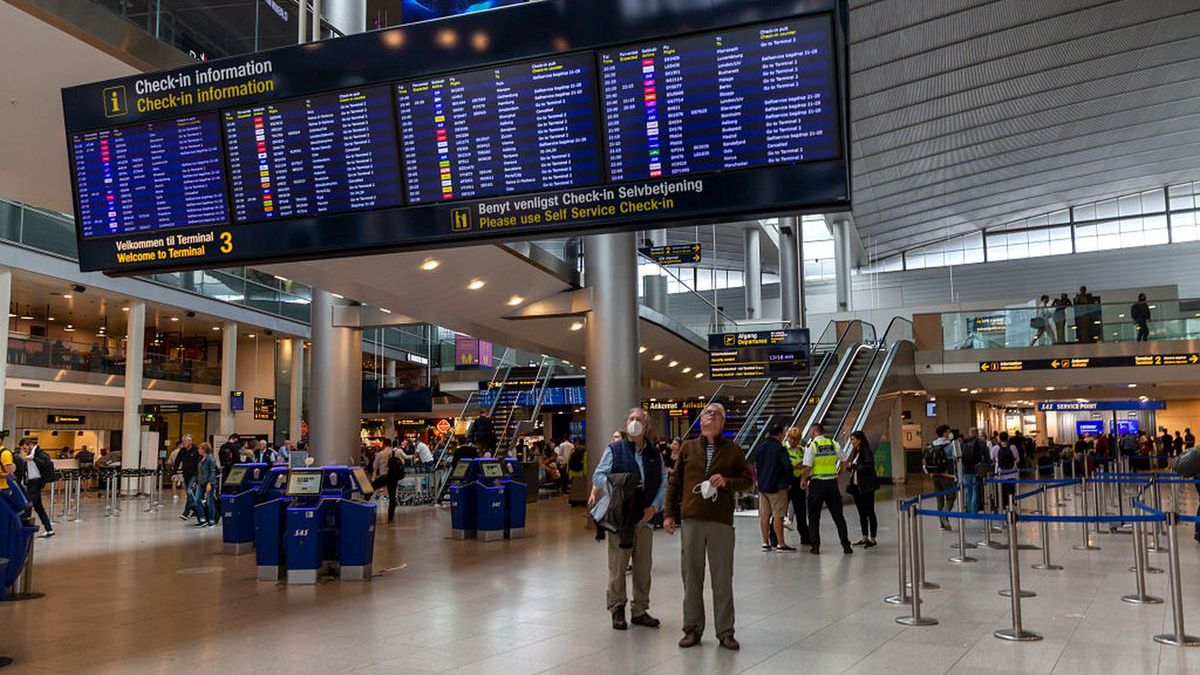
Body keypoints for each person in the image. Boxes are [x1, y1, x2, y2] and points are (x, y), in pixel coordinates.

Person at [663, 403, 752, 650]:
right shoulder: (688, 448)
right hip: (692, 519)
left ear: (722, 423)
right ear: (700, 421)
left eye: (716, 413)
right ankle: (691, 628)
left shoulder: (733, 450)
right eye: (706, 413)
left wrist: (726, 481)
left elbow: (746, 481)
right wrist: (669, 514)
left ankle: (725, 631)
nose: (710, 415)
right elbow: (674, 483)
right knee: (691, 576)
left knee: (722, 577)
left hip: (720, 521)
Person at [590, 407, 666, 631]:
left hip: (645, 518)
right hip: (622, 518)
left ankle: (640, 609)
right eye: (631, 419)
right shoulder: (615, 450)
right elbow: (598, 475)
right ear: (626, 425)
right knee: (618, 566)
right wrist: (616, 490)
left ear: (647, 426)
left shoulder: (654, 453)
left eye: (639, 419)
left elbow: (663, 480)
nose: (634, 422)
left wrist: (654, 507)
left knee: (643, 567)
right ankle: (617, 608)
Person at [801, 423, 853, 555]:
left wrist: (803, 480)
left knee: (814, 517)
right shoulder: (834, 444)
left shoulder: (812, 446)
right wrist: (839, 474)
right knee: (838, 516)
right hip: (831, 484)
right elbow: (845, 462)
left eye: (810, 432)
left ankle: (815, 546)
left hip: (817, 484)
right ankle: (846, 545)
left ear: (813, 432)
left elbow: (807, 467)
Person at [754, 423, 794, 552]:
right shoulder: (780, 448)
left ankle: (765, 543)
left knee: (765, 515)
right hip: (777, 486)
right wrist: (789, 481)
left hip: (763, 486)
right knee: (778, 515)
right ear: (780, 434)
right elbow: (787, 466)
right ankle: (780, 544)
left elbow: (757, 466)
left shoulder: (760, 447)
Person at [846, 431, 878, 548]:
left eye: (853, 439)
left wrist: (853, 466)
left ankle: (873, 539)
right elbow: (858, 469)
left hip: (866, 486)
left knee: (870, 511)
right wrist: (851, 468)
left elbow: (868, 467)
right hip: (857, 486)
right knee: (862, 513)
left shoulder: (866, 451)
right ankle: (864, 537)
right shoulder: (856, 452)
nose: (852, 442)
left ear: (859, 440)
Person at [20, 439, 55, 537]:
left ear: (30, 445)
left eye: (25, 447)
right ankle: (49, 529)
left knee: (28, 506)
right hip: (31, 483)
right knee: (39, 508)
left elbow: (47, 463)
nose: (24, 450)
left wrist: (34, 458)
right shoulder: (30, 454)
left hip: (36, 483)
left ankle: (23, 529)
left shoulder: (39, 453)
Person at [924, 425, 957, 530]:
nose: (950, 433)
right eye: (949, 431)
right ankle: (944, 515)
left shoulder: (932, 444)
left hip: (934, 475)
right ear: (945, 433)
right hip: (947, 475)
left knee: (939, 499)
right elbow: (956, 459)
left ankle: (942, 525)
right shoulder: (950, 445)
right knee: (951, 497)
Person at [784, 426, 811, 547]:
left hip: (799, 482)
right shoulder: (783, 449)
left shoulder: (802, 450)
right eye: (791, 438)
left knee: (801, 512)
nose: (793, 441)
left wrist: (804, 477)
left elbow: (807, 465)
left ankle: (805, 537)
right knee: (780, 511)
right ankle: (773, 537)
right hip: (786, 482)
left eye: (796, 439)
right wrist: (794, 467)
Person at [173, 435, 200, 521]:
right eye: (183, 441)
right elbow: (177, 461)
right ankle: (197, 510)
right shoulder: (182, 450)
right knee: (194, 493)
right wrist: (174, 473)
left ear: (190, 442)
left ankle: (186, 512)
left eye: (185, 441)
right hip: (186, 474)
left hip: (195, 475)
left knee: (189, 491)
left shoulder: (196, 450)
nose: (183, 443)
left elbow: (199, 463)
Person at [960, 428, 987, 513]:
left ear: (969, 433)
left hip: (966, 469)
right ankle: (974, 510)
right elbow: (987, 458)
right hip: (976, 469)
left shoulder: (963, 443)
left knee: (968, 490)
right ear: (977, 433)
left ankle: (968, 508)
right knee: (975, 490)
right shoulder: (982, 443)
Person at [992, 432, 1020, 509]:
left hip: (1000, 473)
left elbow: (992, 459)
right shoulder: (1013, 447)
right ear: (1008, 438)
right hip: (1012, 473)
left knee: (1001, 490)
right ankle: (1011, 504)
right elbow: (1017, 459)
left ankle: (1002, 505)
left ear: (999, 439)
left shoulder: (995, 448)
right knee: (1011, 489)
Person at [194, 443, 218, 527]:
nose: (198, 450)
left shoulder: (210, 459)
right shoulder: (201, 458)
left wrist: (210, 483)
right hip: (201, 482)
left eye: (199, 448)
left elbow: (212, 472)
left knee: (209, 501)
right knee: (197, 500)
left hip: (209, 483)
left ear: (204, 449)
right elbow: (200, 472)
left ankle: (211, 520)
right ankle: (202, 519)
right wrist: (196, 481)